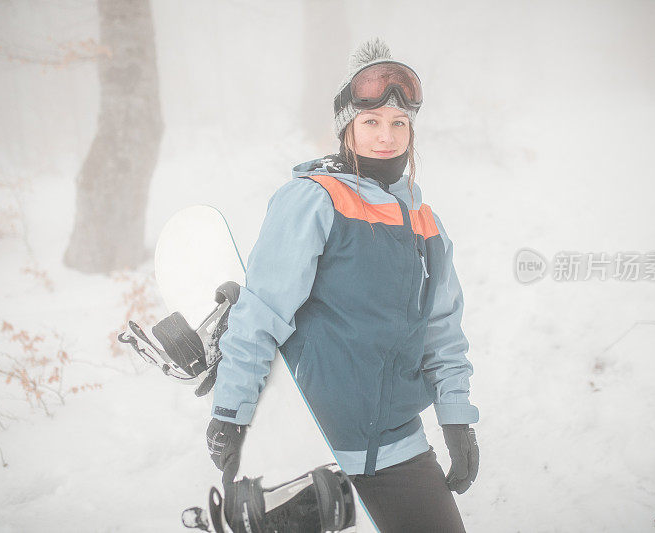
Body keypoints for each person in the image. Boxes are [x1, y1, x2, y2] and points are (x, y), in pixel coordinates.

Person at [205, 38, 480, 532]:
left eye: (399, 124)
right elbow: (261, 312)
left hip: (399, 441)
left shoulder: (424, 222)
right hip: (315, 442)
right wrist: (232, 410)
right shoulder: (313, 200)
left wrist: (456, 418)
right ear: (347, 128)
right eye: (371, 122)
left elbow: (442, 331)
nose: (386, 136)